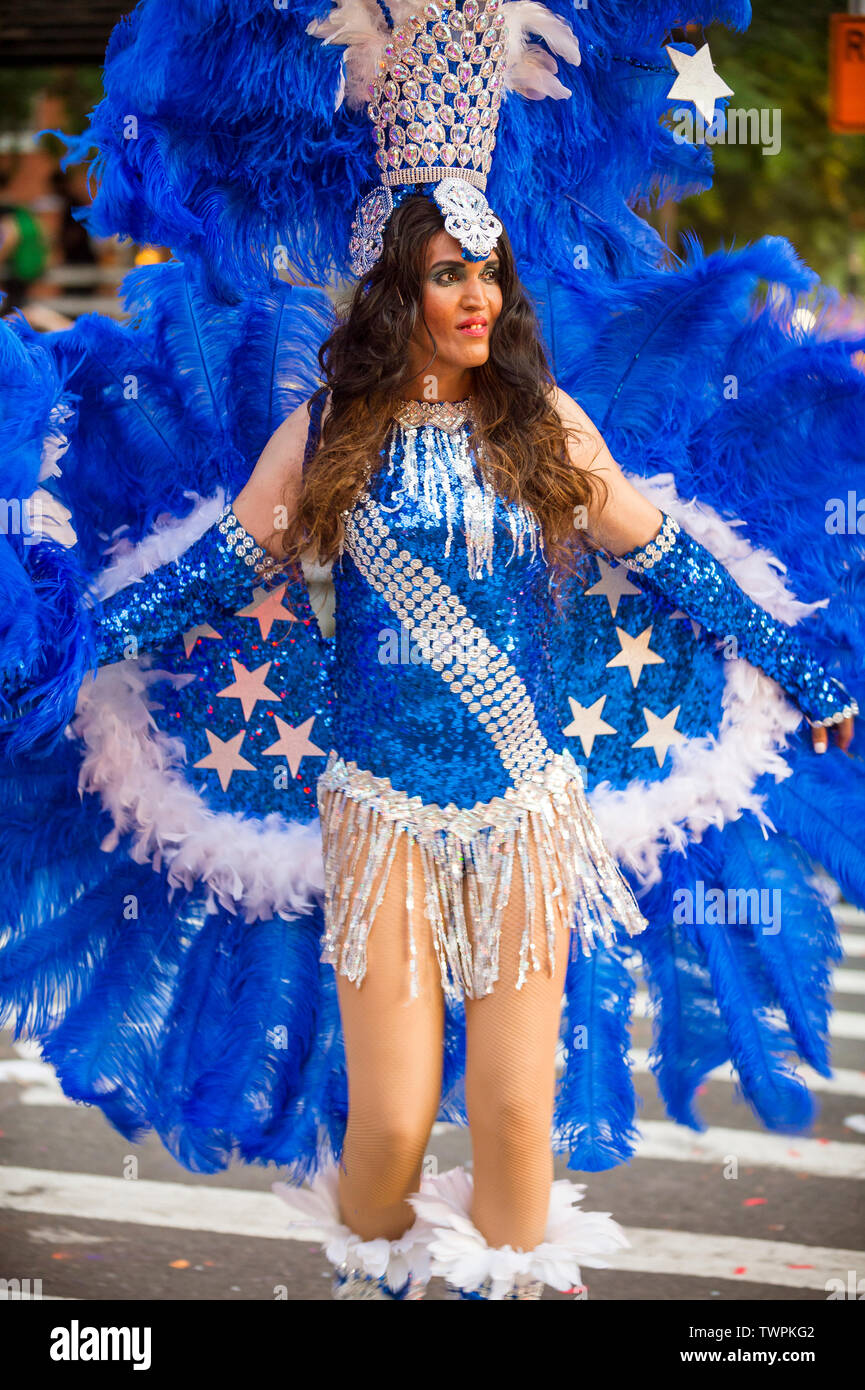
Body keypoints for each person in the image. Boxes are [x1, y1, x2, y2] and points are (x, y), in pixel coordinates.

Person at [0, 0, 860, 1303]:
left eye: (487, 271)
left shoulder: (547, 425)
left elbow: (668, 557)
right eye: (445, 272)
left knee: (520, 1129)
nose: (473, 295)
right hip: (376, 820)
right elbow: (212, 576)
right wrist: (61, 659)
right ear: (395, 288)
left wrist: (808, 666)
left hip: (526, 810)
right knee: (391, 1128)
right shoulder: (326, 426)